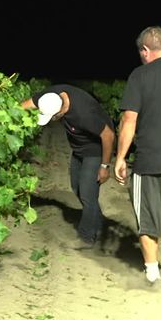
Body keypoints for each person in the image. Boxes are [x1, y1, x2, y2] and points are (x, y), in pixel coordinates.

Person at [114, 26, 161, 302]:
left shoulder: (140, 75)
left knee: (147, 223)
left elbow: (129, 120)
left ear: (145, 51)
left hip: (149, 162)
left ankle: (153, 278)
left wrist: (120, 158)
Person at [22, 84, 115, 247]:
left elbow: (108, 135)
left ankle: (87, 237)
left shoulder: (84, 114)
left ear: (61, 111)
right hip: (78, 148)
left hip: (95, 150)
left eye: (52, 117)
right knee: (76, 187)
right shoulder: (52, 96)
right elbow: (26, 105)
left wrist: (105, 166)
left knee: (87, 194)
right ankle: (97, 219)